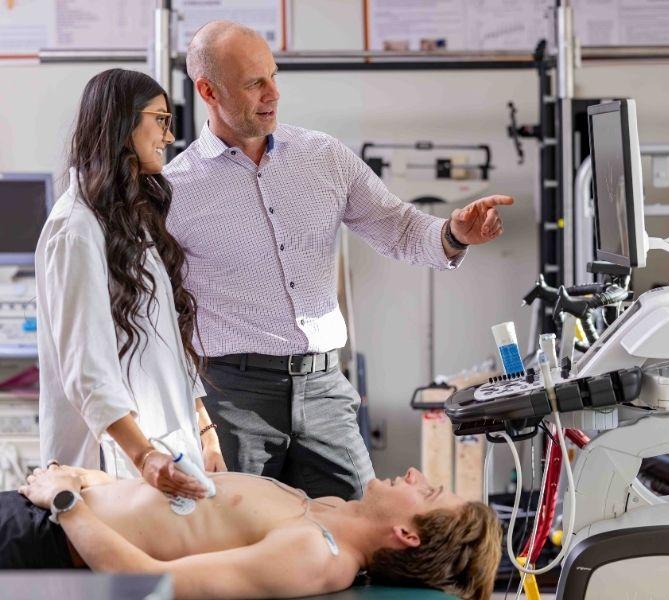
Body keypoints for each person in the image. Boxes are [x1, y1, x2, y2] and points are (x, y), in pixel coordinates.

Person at [163, 20, 515, 499]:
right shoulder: (173, 190)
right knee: (244, 545)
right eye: (254, 83)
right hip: (233, 397)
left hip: (325, 388)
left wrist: (454, 234)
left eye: (273, 75)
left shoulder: (322, 157)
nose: (273, 93)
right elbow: (159, 315)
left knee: (367, 532)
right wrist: (197, 417)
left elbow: (399, 226)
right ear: (208, 90)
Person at [35, 69, 226, 498]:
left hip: (162, 454)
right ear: (122, 124)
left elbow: (166, 346)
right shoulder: (75, 228)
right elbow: (86, 370)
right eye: (160, 118)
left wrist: (205, 431)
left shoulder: (129, 220)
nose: (170, 134)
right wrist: (142, 456)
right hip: (117, 462)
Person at [11, 463, 502, 600]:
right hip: (46, 510)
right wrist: (84, 481)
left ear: (406, 534)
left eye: (429, 492)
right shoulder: (327, 509)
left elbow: (148, 581)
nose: (415, 474)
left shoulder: (315, 554)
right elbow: (166, 509)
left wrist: (65, 502)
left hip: (43, 540)